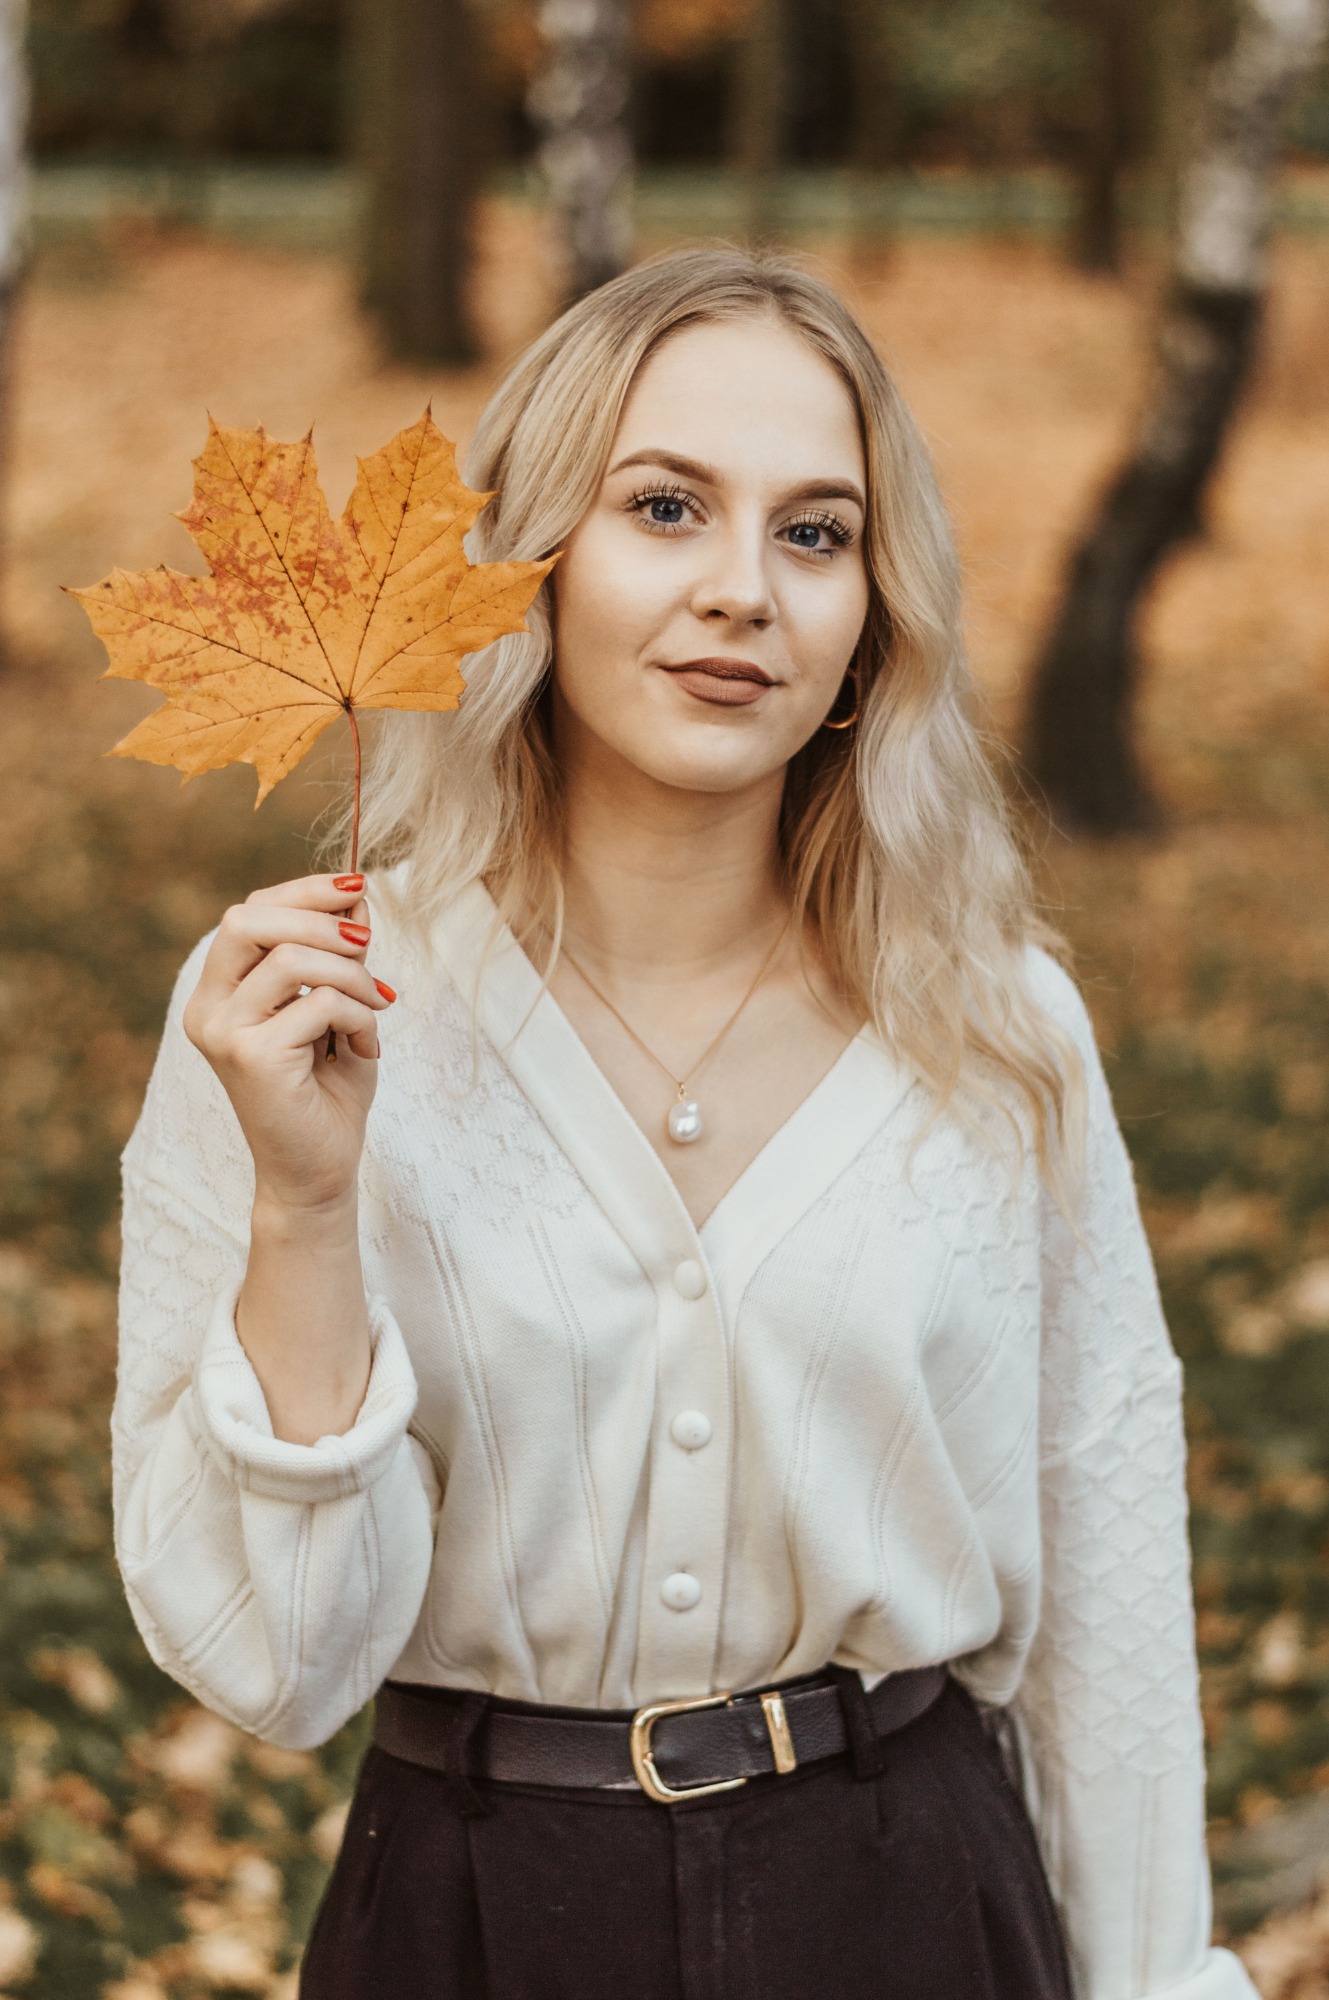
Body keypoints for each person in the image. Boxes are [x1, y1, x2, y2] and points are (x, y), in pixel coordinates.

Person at [113, 247, 1254, 2000]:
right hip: (474, 1923)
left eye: (814, 533)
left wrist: (1153, 1978)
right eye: (663, 508)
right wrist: (305, 1209)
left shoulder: (994, 1026)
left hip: (910, 1912)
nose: (742, 590)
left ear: (872, 612)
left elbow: (1105, 1585)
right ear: (530, 562)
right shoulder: (297, 1011)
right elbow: (279, 1669)